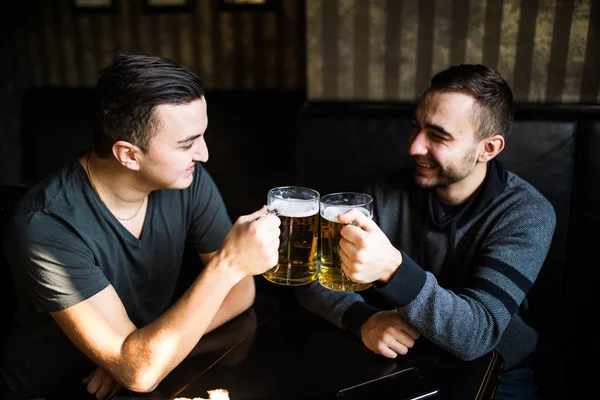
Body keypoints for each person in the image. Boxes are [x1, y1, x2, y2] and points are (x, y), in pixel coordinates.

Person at [0, 51, 281, 400]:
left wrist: (151, 354)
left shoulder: (188, 179)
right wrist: (228, 265)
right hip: (56, 391)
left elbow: (241, 292)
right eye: (187, 144)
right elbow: (140, 370)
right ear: (129, 155)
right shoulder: (46, 226)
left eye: (202, 135)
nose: (204, 154)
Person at [296, 64, 555, 400]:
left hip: (498, 368)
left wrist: (393, 270)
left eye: (437, 135)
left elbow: (476, 335)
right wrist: (362, 319)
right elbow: (310, 276)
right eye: (416, 127)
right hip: (402, 363)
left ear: (488, 149)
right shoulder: (387, 193)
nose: (415, 147)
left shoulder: (526, 213)